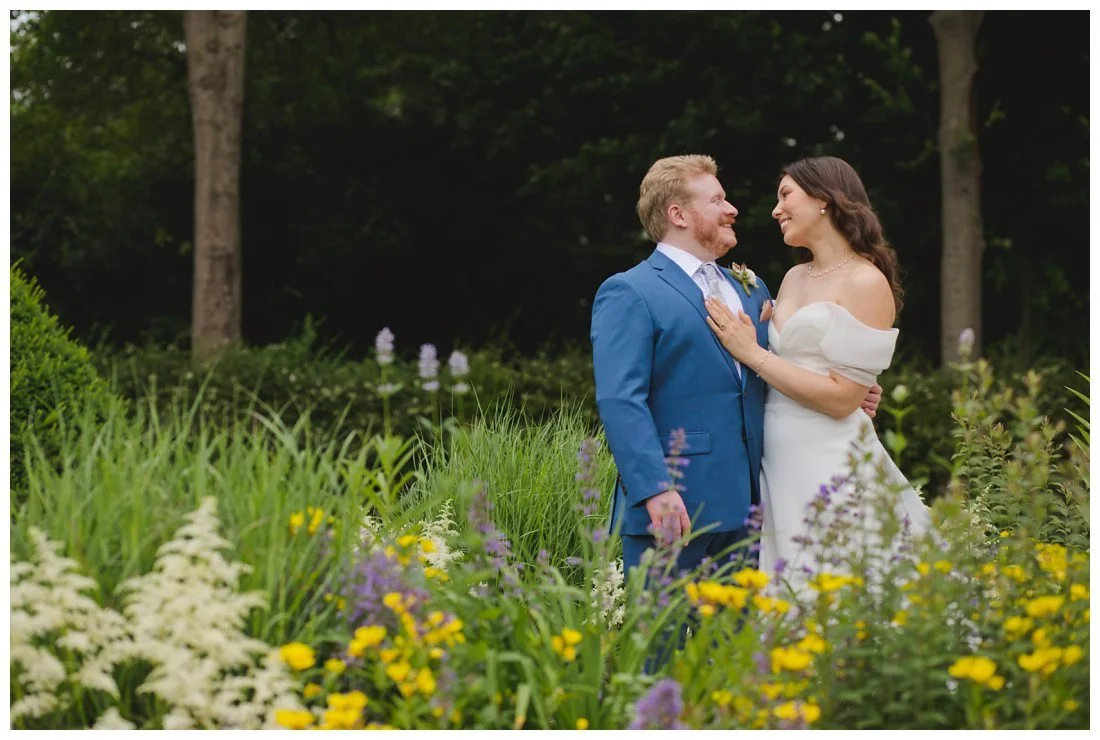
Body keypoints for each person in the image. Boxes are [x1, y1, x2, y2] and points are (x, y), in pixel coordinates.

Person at [590, 154, 881, 578]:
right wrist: (655, 489)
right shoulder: (630, 291)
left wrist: (849, 388)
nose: (733, 210)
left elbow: (771, 370)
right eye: (717, 201)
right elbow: (620, 400)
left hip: (757, 505)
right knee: (661, 642)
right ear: (678, 214)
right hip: (676, 504)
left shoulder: (751, 287)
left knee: (739, 643)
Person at [703, 155, 931, 590]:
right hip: (777, 456)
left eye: (786, 194)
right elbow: (795, 365)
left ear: (825, 200)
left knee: (838, 583)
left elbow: (844, 399)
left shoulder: (866, 281)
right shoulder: (791, 277)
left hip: (829, 459)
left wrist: (753, 353)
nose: (775, 209)